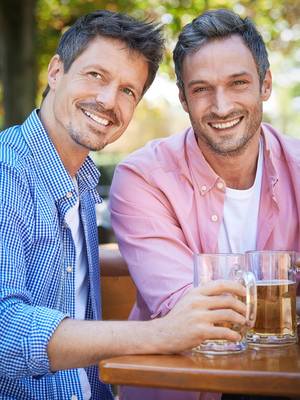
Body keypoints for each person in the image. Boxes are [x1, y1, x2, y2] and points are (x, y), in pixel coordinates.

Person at [0, 10, 248, 400]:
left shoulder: (77, 181)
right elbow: (4, 332)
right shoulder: (8, 173)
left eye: (128, 90)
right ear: (55, 72)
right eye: (95, 75)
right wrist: (160, 333)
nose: (107, 100)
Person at [110, 8, 300, 400]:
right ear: (182, 97)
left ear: (265, 84)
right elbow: (186, 313)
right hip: (184, 387)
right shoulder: (143, 178)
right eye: (201, 89)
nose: (221, 106)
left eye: (238, 83)